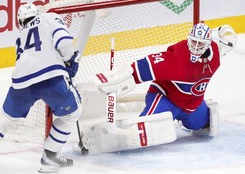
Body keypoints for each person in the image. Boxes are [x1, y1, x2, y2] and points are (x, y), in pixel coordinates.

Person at [80, 23, 237, 154]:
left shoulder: (215, 52)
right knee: (143, 131)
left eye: (200, 43)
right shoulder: (176, 58)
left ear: (208, 44)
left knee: (202, 125)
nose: (195, 47)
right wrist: (119, 77)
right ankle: (95, 138)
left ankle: (193, 114)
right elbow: (144, 66)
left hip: (192, 104)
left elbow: (221, 40)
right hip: (166, 97)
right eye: (193, 41)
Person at [0, 3, 82, 173]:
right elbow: (64, 40)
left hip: (21, 83)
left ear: (20, 21)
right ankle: (50, 156)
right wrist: (69, 61)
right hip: (50, 78)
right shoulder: (48, 17)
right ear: (37, 13)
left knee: (4, 118)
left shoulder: (20, 36)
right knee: (72, 113)